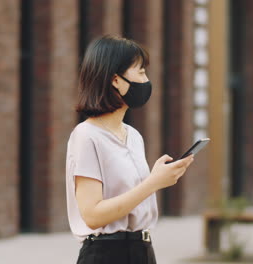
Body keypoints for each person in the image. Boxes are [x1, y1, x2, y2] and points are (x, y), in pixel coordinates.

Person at [66, 35, 194, 264]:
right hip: (106, 254)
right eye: (141, 71)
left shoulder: (133, 136)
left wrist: (157, 177)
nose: (146, 80)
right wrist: (153, 183)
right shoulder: (86, 136)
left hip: (142, 249)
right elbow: (93, 215)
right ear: (116, 80)